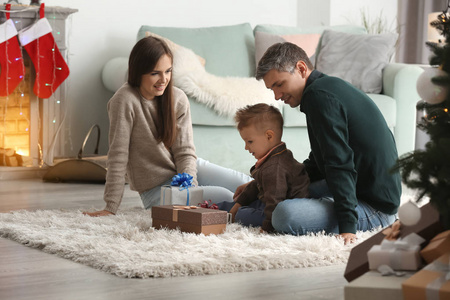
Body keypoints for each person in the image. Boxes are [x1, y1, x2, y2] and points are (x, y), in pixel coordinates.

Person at [85, 36, 251, 217]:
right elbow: (118, 155)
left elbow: (185, 151)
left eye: (168, 71)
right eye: (155, 73)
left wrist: (189, 189)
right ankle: (265, 215)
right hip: (156, 189)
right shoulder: (124, 100)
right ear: (138, 72)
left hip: (188, 171)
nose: (163, 79)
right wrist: (110, 206)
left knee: (247, 184)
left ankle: (280, 206)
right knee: (227, 197)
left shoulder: (177, 98)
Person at [254, 42, 401, 244]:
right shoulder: (324, 89)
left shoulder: (319, 96)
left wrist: (347, 226)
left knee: (284, 214)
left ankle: (239, 212)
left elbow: (339, 163)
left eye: (279, 84)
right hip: (357, 187)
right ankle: (246, 203)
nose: (277, 96)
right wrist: (259, 183)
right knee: (276, 189)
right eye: (272, 89)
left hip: (376, 208)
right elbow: (317, 162)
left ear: (301, 68)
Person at [218, 103, 310, 233]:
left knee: (241, 215)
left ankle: (225, 212)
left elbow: (275, 203)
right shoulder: (274, 158)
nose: (246, 147)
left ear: (269, 136)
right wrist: (240, 202)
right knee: (231, 205)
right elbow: (257, 184)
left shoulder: (274, 168)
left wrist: (266, 228)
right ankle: (207, 210)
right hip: (267, 203)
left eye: (250, 142)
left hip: (277, 210)